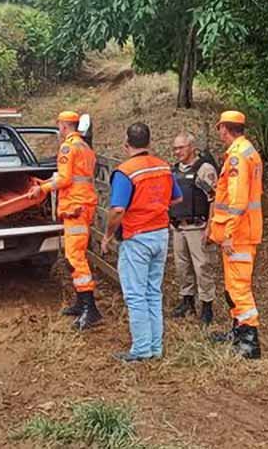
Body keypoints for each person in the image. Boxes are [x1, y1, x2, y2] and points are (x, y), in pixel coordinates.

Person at [100, 123, 182, 362]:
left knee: (135, 295)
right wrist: (155, 207)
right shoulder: (163, 166)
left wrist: (107, 235)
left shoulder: (126, 172)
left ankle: (142, 349)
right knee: (152, 292)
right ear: (149, 142)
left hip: (136, 237)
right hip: (160, 234)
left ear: (127, 144)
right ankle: (155, 347)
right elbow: (177, 199)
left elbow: (117, 210)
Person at [31, 110, 101, 330]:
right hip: (82, 206)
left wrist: (41, 188)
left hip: (76, 208)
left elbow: (64, 178)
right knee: (75, 255)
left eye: (59, 125)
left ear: (63, 126)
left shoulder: (68, 147)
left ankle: (90, 308)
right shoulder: (85, 147)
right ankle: (82, 303)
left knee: (75, 257)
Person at [208, 110, 263, 359]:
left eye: (220, 129)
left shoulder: (237, 158)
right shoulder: (247, 152)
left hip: (238, 234)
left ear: (224, 129)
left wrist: (228, 232)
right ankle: (238, 331)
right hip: (242, 231)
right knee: (233, 287)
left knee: (239, 287)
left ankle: (249, 343)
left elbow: (238, 200)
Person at [169, 132, 218, 325]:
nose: (177, 151)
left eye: (181, 147)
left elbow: (213, 198)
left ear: (192, 147)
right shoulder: (174, 170)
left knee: (202, 266)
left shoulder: (203, 169)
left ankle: (206, 306)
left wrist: (211, 226)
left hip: (198, 227)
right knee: (182, 266)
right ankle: (187, 301)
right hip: (178, 227)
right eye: (175, 148)